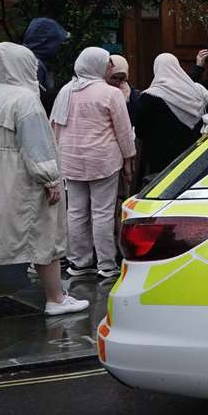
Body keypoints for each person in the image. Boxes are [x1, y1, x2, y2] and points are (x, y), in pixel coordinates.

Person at [0, 43, 90, 330]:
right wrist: (51, 180)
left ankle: (56, 297)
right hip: (19, 180)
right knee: (45, 235)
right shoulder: (25, 100)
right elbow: (37, 146)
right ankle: (55, 299)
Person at [50, 47, 137, 279]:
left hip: (70, 160)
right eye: (107, 62)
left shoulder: (65, 91)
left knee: (76, 211)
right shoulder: (111, 93)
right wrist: (129, 158)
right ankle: (106, 264)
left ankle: (79, 262)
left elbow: (55, 126)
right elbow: (124, 131)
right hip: (103, 159)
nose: (110, 66)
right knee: (103, 212)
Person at [133, 52, 208, 180]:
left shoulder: (149, 96)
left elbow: (141, 130)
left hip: (159, 157)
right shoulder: (198, 92)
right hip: (191, 153)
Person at [22, 16, 69, 112]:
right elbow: (38, 102)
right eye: (58, 42)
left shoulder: (27, 59)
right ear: (47, 42)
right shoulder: (33, 65)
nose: (59, 47)